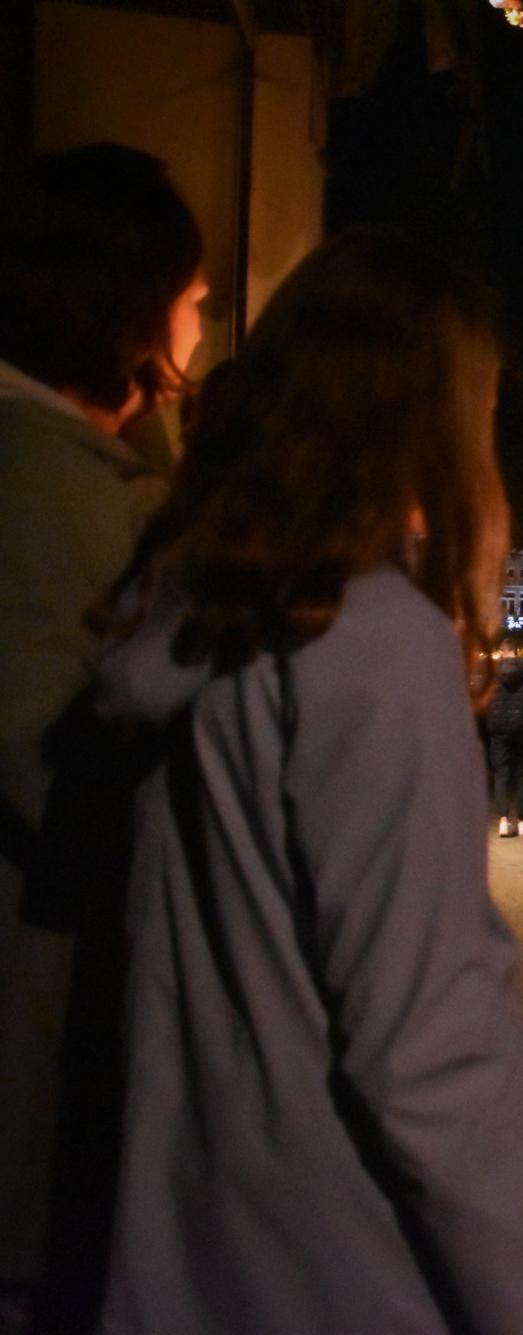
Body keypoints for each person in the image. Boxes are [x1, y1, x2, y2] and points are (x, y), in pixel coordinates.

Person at [49, 230, 523, 1331]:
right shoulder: (373, 645)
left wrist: (520, 1063)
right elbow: (421, 1058)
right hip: (345, 1267)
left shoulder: (206, 622)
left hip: (198, 1248)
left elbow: (283, 969)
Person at [0, 143, 208, 1312]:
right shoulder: (59, 496)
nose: (201, 320)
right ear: (131, 313)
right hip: (46, 1024)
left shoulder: (75, 472)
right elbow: (83, 776)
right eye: (187, 298)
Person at [487, 638, 523, 836]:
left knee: (501, 772)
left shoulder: (492, 674)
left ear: (502, 652)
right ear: (517, 651)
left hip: (499, 727)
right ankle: (522, 821)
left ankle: (503, 820)